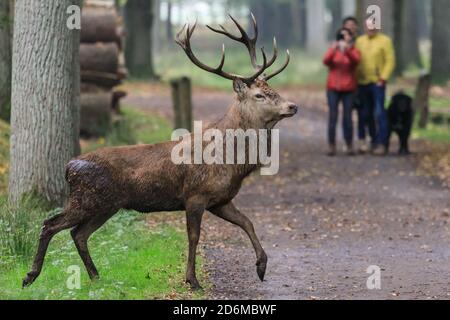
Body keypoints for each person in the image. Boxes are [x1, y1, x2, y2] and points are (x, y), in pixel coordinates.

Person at [355, 18, 396, 155]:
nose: (370, 29)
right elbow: (355, 59)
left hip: (378, 83)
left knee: (379, 113)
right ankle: (373, 141)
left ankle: (383, 143)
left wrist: (383, 78)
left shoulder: (385, 41)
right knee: (366, 114)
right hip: (362, 83)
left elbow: (390, 61)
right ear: (365, 27)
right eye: (368, 26)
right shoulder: (360, 41)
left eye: (373, 26)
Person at [323, 28, 361, 156]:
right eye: (341, 36)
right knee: (333, 117)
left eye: (346, 36)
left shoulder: (354, 49)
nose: (343, 38)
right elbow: (326, 61)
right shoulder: (334, 49)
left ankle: (349, 144)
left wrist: (348, 50)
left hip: (348, 88)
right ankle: (331, 145)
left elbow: (356, 61)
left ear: (351, 37)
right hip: (333, 87)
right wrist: (334, 49)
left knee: (348, 117)